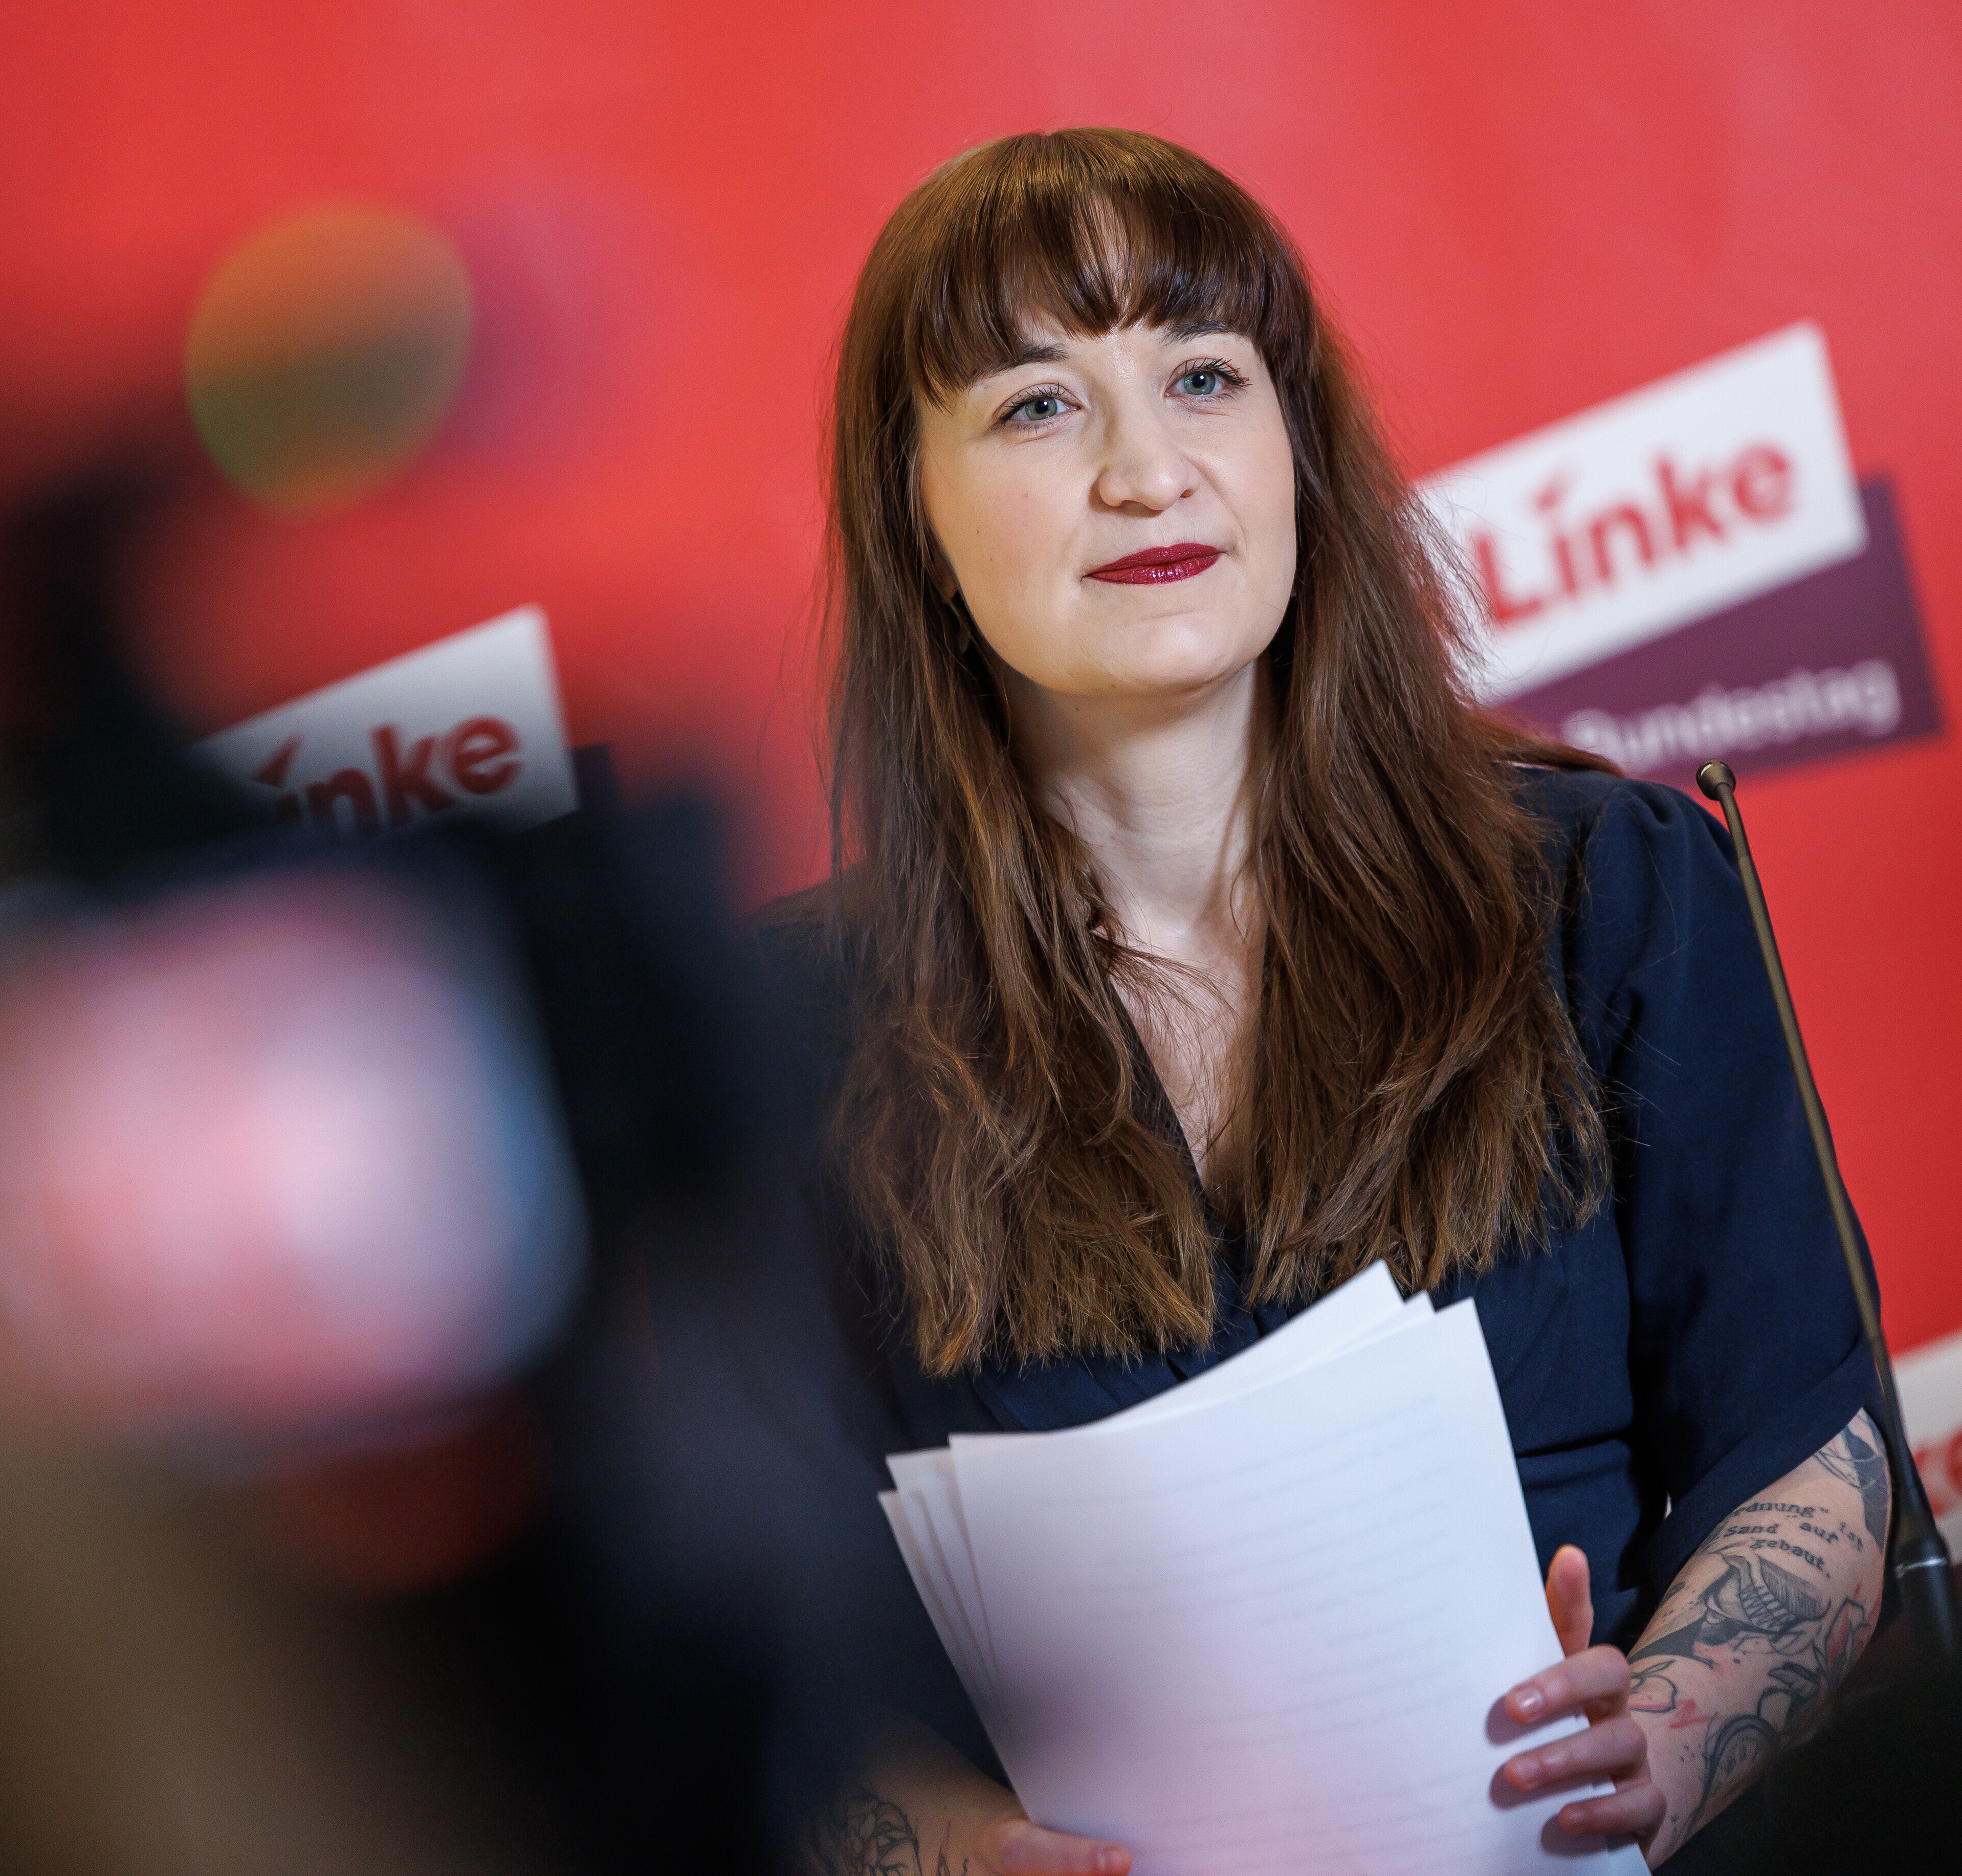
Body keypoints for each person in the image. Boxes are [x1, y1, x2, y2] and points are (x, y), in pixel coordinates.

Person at [767, 127, 1893, 1875]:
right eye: (1038, 407)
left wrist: (1664, 1737)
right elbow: (776, 1673)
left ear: (1294, 448)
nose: (1148, 472)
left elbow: (1811, 1468)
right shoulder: (790, 1036)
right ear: (912, 512)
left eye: (1203, 377)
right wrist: (942, 1849)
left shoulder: (1606, 884)